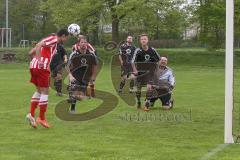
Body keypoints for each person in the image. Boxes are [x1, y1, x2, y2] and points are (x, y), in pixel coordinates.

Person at [26, 29, 69, 128]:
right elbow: (38, 45)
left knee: (39, 91)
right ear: (62, 36)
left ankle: (31, 114)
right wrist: (40, 60)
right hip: (42, 67)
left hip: (34, 66)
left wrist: (35, 61)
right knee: (45, 91)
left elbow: (30, 53)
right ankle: (41, 118)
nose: (66, 40)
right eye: (66, 38)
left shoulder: (52, 44)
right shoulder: (54, 39)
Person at [68, 36, 98, 113]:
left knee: (80, 98)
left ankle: (71, 94)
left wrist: (93, 77)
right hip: (75, 76)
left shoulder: (91, 54)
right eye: (82, 42)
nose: (83, 44)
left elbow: (95, 65)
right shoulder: (74, 54)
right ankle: (72, 108)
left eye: (85, 42)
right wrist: (70, 76)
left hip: (86, 77)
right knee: (75, 93)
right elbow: (67, 66)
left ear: (87, 44)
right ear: (78, 44)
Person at [131, 34, 161, 109]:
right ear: (140, 41)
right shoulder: (138, 50)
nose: (143, 40)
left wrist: (156, 69)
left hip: (149, 73)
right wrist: (135, 70)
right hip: (140, 73)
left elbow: (159, 59)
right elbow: (132, 62)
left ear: (147, 40)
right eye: (142, 39)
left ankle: (147, 103)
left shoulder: (152, 50)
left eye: (145, 39)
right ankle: (138, 101)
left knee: (149, 87)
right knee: (138, 89)